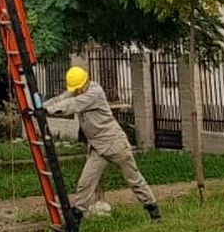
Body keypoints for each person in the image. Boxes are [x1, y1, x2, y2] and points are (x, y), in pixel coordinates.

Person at [44, 66, 160, 221]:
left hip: (114, 143)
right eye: (75, 89)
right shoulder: (77, 90)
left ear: (86, 82)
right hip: (98, 147)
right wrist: (41, 107)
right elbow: (62, 98)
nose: (76, 91)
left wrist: (48, 111)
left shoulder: (94, 92)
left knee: (134, 179)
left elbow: (73, 104)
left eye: (78, 89)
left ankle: (153, 211)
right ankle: (76, 218)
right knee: (85, 183)